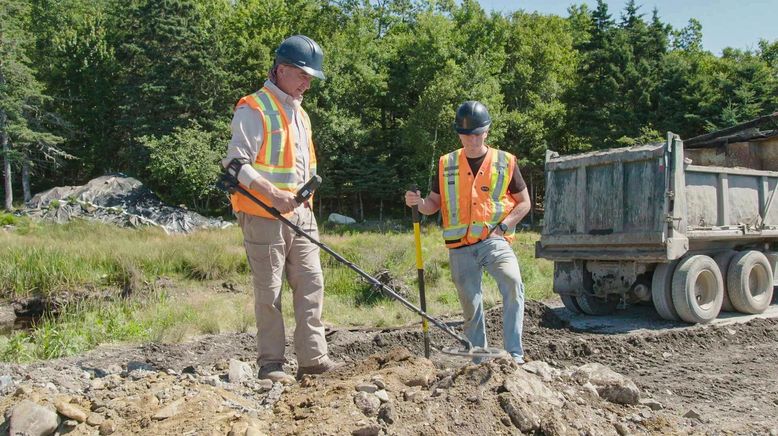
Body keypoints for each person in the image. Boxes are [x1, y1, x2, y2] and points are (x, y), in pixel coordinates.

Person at [223, 35, 341, 384]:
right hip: (263, 214)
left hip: (302, 214)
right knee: (269, 291)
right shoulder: (253, 108)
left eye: (310, 77)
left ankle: (314, 360)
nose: (307, 83)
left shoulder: (300, 113)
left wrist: (299, 202)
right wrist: (273, 193)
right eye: (303, 75)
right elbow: (234, 164)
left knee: (311, 283)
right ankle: (271, 364)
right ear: (281, 69)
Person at [405, 101, 531, 364]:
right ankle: (478, 359)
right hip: (459, 246)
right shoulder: (445, 163)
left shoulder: (505, 161)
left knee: (513, 282)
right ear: (458, 134)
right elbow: (433, 204)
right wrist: (418, 204)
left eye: (477, 133)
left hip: (493, 241)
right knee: (471, 307)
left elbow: (524, 202)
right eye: (466, 134)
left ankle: (514, 356)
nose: (472, 139)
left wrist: (503, 228)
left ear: (487, 131)